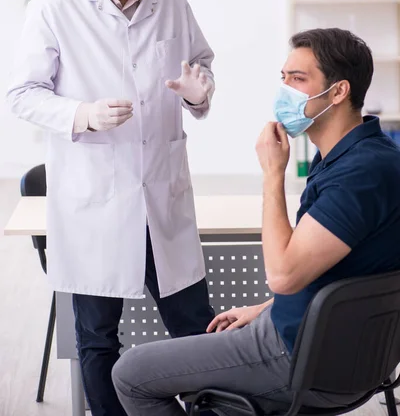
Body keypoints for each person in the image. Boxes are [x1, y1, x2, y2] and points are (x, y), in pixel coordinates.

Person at [112, 27, 400, 415]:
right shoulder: (365, 154)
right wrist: (265, 308)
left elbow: (284, 276)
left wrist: (272, 175)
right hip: (324, 339)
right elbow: (340, 272)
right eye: (283, 78)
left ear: (338, 92)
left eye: (298, 80)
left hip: (300, 355)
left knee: (131, 373)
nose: (284, 90)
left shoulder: (360, 175)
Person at [7, 0, 216, 416]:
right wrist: (82, 114)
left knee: (196, 329)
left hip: (161, 198)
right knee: (98, 339)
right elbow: (21, 94)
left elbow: (202, 69)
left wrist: (197, 91)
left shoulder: (171, 1)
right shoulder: (54, 8)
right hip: (95, 202)